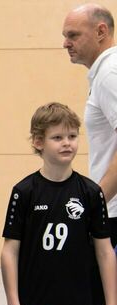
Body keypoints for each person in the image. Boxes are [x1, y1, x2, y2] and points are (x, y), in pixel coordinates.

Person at [0, 102, 117, 305]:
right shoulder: (24, 192)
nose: (67, 143)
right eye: (57, 137)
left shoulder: (91, 193)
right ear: (38, 142)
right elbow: (9, 251)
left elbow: (105, 252)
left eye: (72, 136)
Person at [63, 4, 117, 246]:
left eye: (73, 35)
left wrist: (95, 204)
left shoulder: (109, 74)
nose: (65, 43)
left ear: (101, 31)